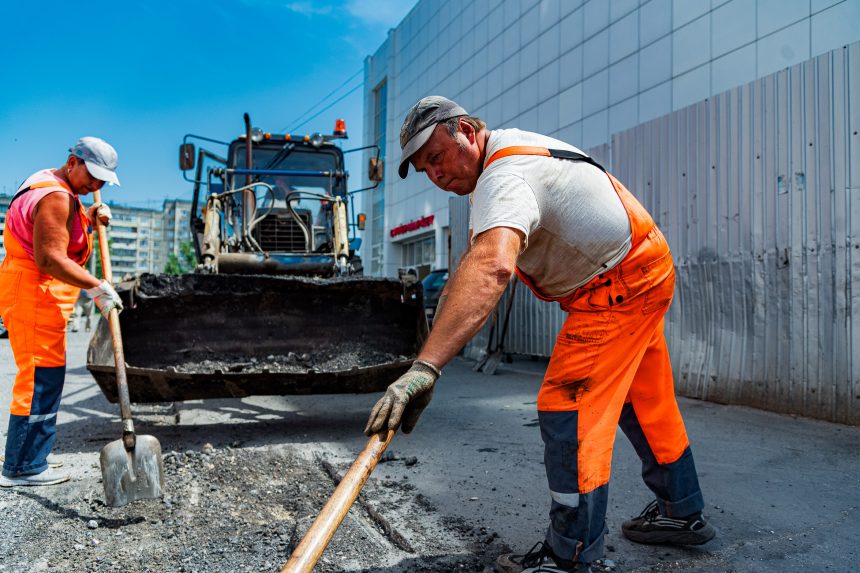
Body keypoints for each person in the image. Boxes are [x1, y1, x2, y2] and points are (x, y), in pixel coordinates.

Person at [365, 97, 715, 572]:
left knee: (567, 405)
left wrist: (426, 368)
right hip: (644, 265)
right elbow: (468, 274)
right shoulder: (501, 165)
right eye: (425, 168)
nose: (436, 175)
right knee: (643, 399)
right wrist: (425, 362)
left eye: (437, 156)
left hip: (618, 286)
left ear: (466, 130)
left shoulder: (503, 177)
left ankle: (569, 553)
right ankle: (682, 511)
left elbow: (492, 268)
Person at [0, 137, 124, 488]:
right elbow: (50, 257)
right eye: (93, 176)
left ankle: (30, 458)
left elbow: (55, 231)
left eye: (103, 181)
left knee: (44, 378)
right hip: (35, 292)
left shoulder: (49, 184)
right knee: (39, 381)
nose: (97, 185)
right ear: (73, 162)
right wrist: (96, 286)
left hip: (34, 292)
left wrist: (88, 215)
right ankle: (23, 467)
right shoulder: (56, 196)